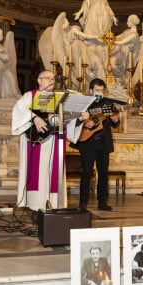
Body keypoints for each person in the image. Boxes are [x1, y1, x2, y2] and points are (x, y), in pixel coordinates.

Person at [12, 70, 88, 216]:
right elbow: (18, 110)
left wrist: (79, 118)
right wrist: (34, 118)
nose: (51, 81)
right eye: (47, 78)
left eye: (53, 78)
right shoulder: (30, 96)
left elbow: (69, 119)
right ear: (39, 80)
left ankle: (54, 207)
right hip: (36, 142)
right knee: (38, 174)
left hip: (55, 141)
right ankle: (35, 208)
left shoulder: (61, 99)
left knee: (54, 173)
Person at [70, 78, 120, 211]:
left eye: (102, 90)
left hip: (104, 143)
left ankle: (102, 202)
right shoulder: (83, 103)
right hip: (87, 143)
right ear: (91, 90)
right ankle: (83, 203)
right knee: (86, 173)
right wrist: (86, 122)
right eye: (97, 90)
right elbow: (73, 118)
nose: (100, 93)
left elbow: (115, 123)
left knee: (103, 174)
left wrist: (115, 120)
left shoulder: (108, 103)